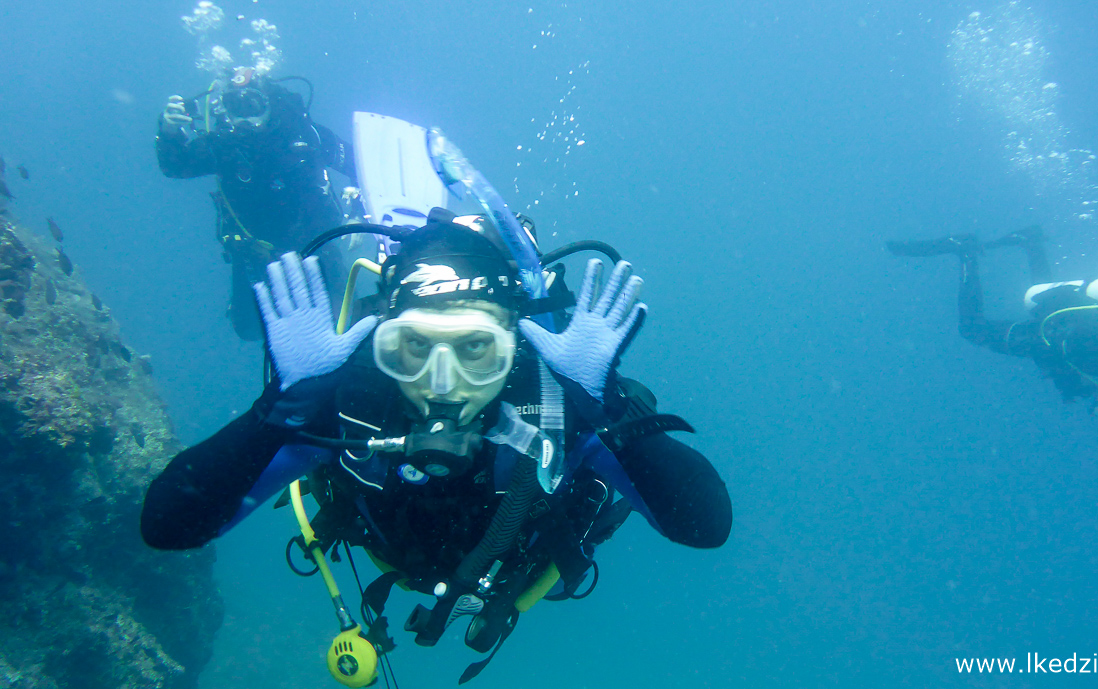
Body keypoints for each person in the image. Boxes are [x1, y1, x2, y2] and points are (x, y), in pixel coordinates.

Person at [141, 210, 731, 684]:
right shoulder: (349, 399)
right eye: (413, 348)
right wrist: (274, 416)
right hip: (394, 555)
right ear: (382, 342)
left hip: (519, 571)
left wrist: (606, 409)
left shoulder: (562, 400)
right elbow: (166, 524)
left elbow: (708, 525)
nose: (442, 383)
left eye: (477, 350)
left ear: (515, 345)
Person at [886, 226, 1098, 411]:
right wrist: (1070, 383)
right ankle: (964, 252)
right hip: (1054, 334)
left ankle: (1030, 241)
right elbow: (1062, 349)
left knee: (1042, 299)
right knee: (973, 329)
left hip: (1071, 316)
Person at [156, 67, 355, 340]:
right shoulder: (223, 145)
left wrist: (358, 210)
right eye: (235, 106)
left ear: (269, 104)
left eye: (252, 105)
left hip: (316, 243)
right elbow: (175, 166)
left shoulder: (304, 134)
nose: (245, 117)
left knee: (342, 324)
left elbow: (359, 165)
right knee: (249, 328)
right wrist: (169, 132)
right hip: (254, 251)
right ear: (224, 109)